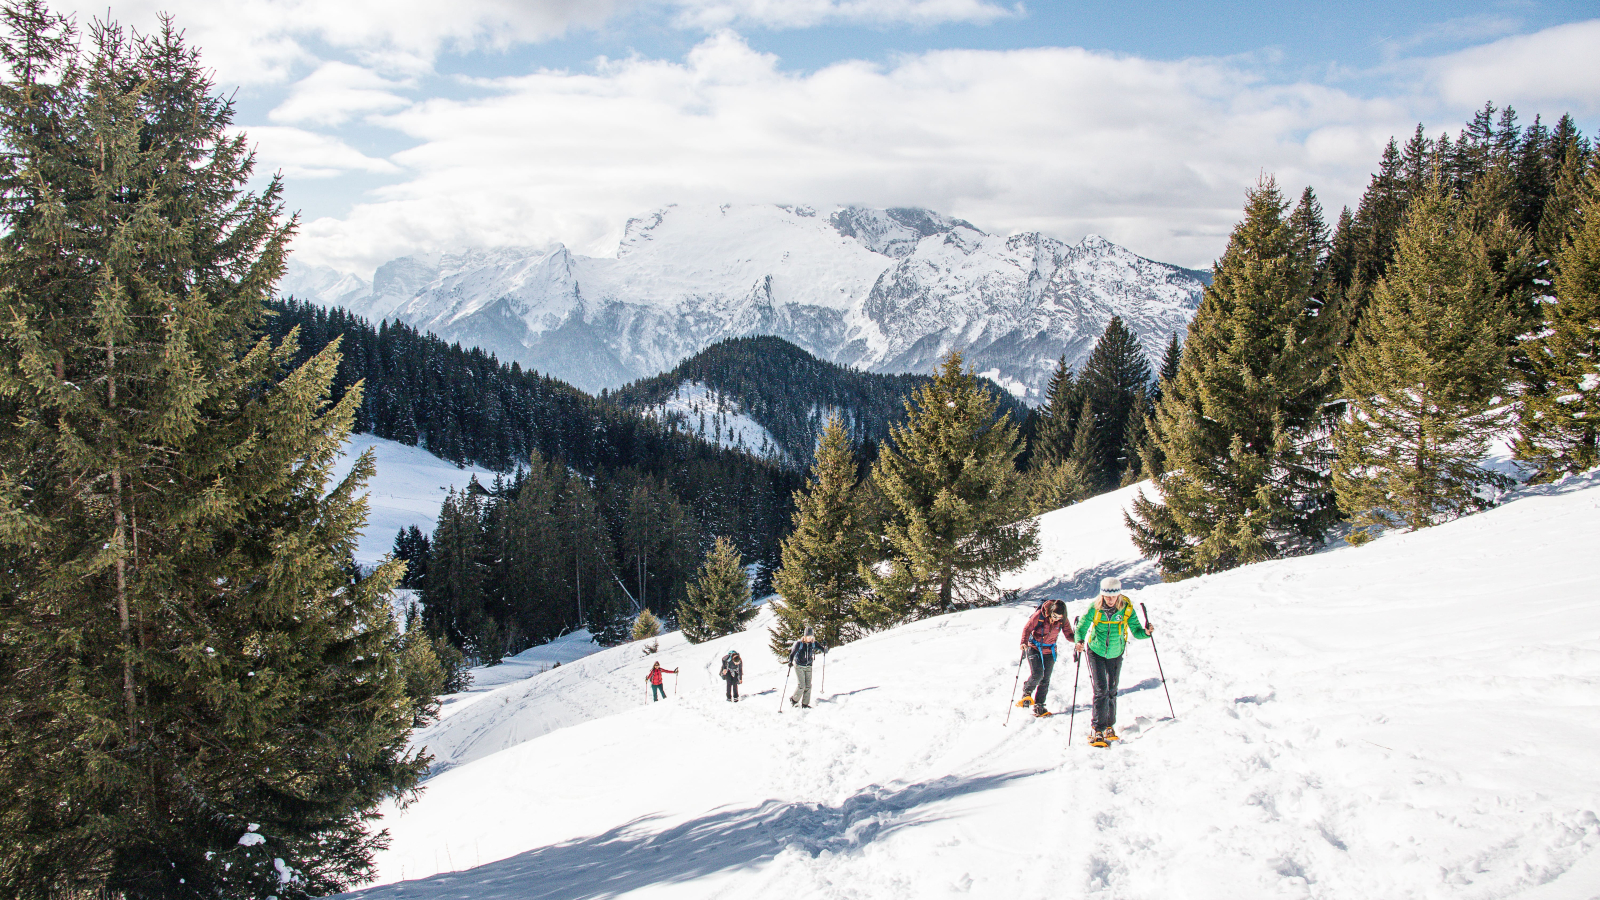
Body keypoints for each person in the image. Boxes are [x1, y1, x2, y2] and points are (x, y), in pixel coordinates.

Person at [1073, 576, 1151, 746]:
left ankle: (1109, 725)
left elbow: (1137, 630)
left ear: (1118, 594)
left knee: (1112, 690)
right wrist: (1079, 641)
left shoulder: (1126, 608)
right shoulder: (1095, 607)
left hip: (1116, 652)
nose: (1109, 600)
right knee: (1101, 689)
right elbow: (1082, 626)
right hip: (1096, 651)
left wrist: (1146, 633)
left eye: (1113, 596)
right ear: (1102, 595)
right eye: (1106, 596)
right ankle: (1097, 729)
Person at [1016, 599, 1070, 717]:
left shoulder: (1063, 620)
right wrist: (1023, 642)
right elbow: (1027, 628)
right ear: (1050, 612)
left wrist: (1078, 640)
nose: (1056, 619)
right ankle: (1027, 691)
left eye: (1059, 617)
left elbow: (1069, 634)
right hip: (1034, 647)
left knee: (1045, 679)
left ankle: (1039, 705)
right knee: (1038, 674)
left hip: (1049, 650)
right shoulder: (1039, 615)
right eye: (1054, 616)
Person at [788, 626, 826, 708]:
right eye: (808, 636)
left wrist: (825, 649)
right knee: (802, 685)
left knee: (808, 686)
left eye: (811, 636)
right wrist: (790, 661)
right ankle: (794, 700)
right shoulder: (799, 644)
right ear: (804, 636)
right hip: (799, 666)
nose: (809, 638)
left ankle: (805, 704)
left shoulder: (813, 643)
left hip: (808, 666)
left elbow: (822, 649)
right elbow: (792, 653)